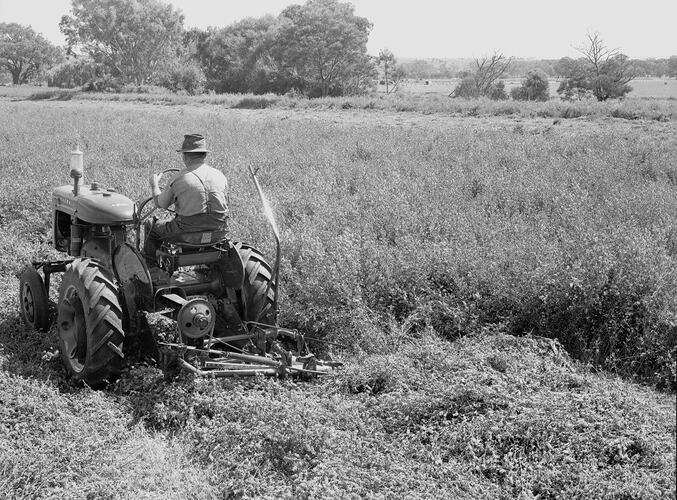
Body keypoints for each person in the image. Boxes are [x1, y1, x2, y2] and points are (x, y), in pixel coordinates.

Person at [144, 133, 229, 259]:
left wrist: (154, 185)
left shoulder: (180, 178)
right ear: (205, 155)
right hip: (219, 233)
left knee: (150, 224)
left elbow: (160, 204)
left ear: (185, 156)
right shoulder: (220, 176)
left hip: (186, 234)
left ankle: (151, 265)